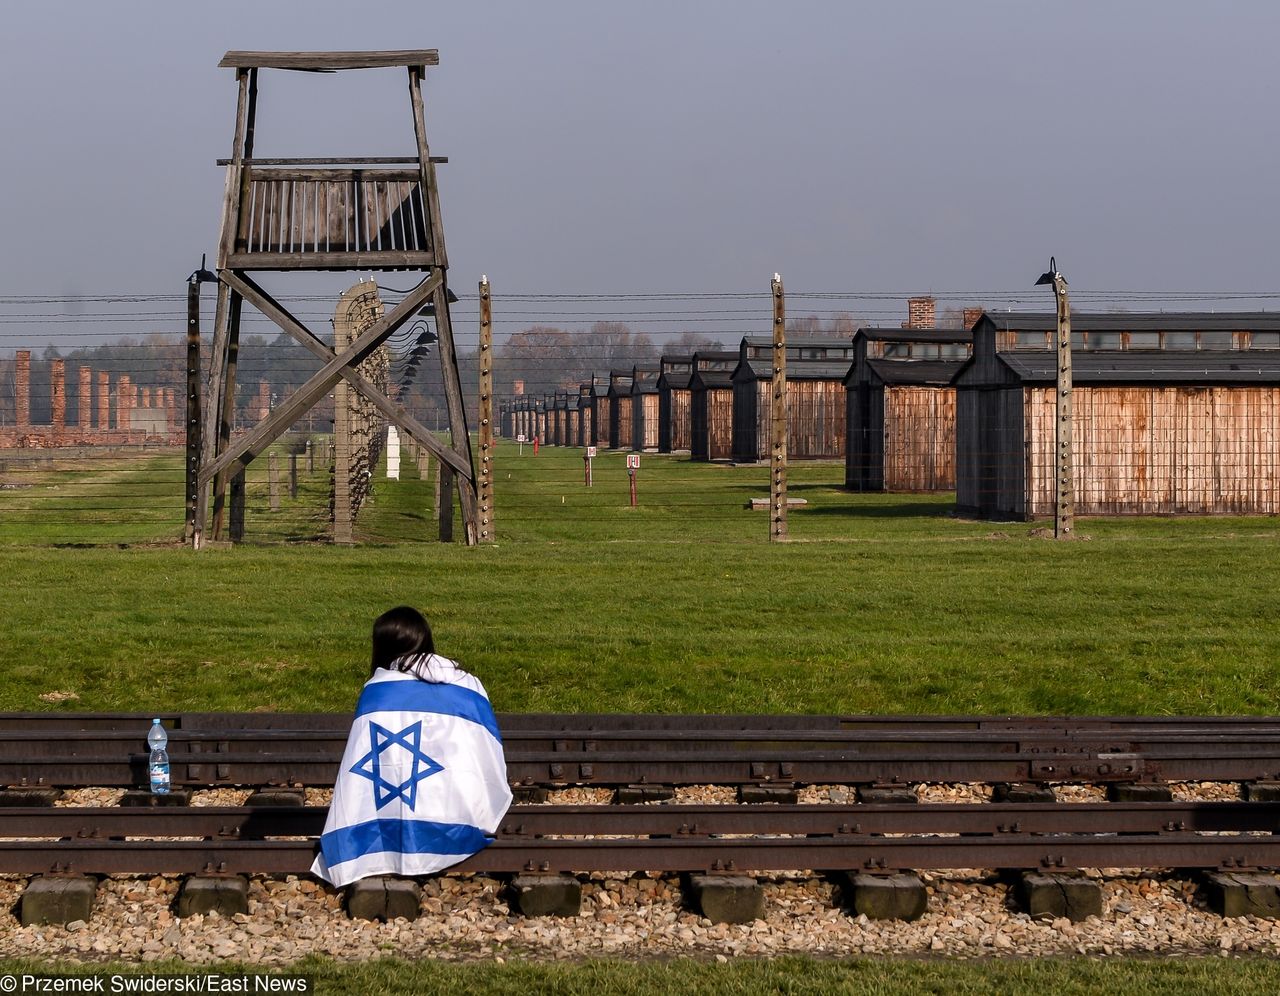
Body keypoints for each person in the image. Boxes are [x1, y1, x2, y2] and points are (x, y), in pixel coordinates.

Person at [312, 607, 512, 888]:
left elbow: (363, 770)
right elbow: (485, 754)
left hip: (389, 818)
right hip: (459, 815)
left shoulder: (378, 690)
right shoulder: (467, 685)